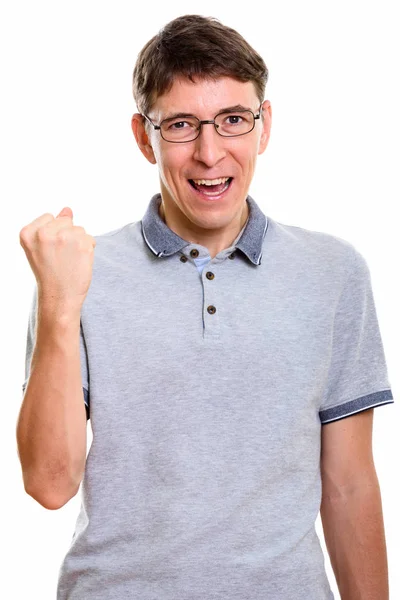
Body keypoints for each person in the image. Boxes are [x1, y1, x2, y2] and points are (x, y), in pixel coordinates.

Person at [17, 14, 394, 600]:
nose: (209, 152)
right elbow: (48, 483)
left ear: (264, 126)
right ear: (145, 137)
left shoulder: (334, 273)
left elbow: (348, 486)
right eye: (183, 125)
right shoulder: (78, 276)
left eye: (233, 121)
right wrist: (61, 308)